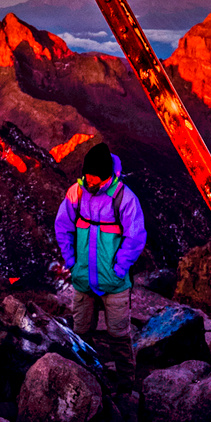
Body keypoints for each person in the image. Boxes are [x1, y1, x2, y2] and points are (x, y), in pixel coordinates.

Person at [54, 142, 147, 359]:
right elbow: (63, 227)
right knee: (80, 334)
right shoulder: (76, 193)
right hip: (83, 277)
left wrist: (119, 269)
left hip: (114, 282)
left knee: (119, 337)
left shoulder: (124, 198)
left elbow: (134, 237)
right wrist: (71, 262)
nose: (89, 180)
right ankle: (88, 375)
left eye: (94, 176)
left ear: (106, 175)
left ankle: (125, 388)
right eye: (87, 174)